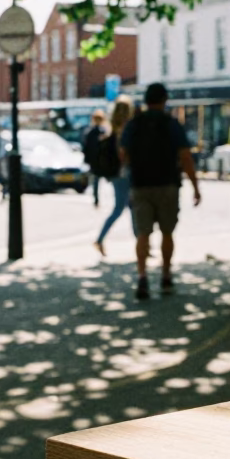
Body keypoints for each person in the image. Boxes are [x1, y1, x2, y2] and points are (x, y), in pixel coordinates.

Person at [120, 82, 201, 300]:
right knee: (167, 232)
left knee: (143, 233)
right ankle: (165, 275)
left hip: (140, 185)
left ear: (146, 100)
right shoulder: (171, 124)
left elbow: (122, 155)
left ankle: (142, 276)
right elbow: (185, 157)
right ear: (164, 100)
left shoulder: (134, 124)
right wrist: (195, 186)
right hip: (167, 184)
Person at [93, 96, 136, 257]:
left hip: (116, 174)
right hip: (125, 172)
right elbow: (123, 153)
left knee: (129, 207)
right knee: (122, 208)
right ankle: (100, 239)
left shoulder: (110, 128)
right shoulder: (127, 129)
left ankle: (141, 242)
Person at [82, 109, 108, 208]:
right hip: (99, 161)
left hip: (96, 161)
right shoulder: (101, 132)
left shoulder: (92, 132)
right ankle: (97, 199)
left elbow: (86, 148)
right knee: (97, 181)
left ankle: (97, 199)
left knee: (96, 181)